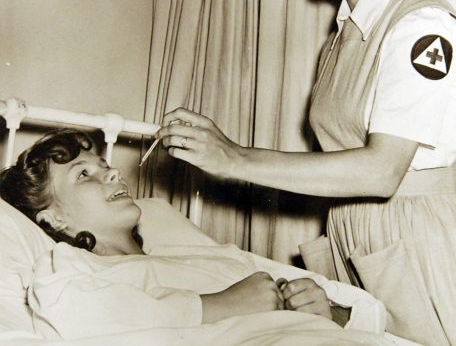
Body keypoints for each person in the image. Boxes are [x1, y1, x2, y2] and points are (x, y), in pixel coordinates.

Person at [156, 0, 456, 345]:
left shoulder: (420, 26)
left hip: (419, 246)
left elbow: (381, 171)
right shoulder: (346, 32)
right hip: (363, 239)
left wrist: (234, 158)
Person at [0, 128, 357, 335]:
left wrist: (327, 311)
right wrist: (219, 305)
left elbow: (357, 320)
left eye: (105, 166)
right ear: (53, 219)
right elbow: (72, 321)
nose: (112, 174)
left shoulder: (218, 255)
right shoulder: (65, 269)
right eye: (83, 174)